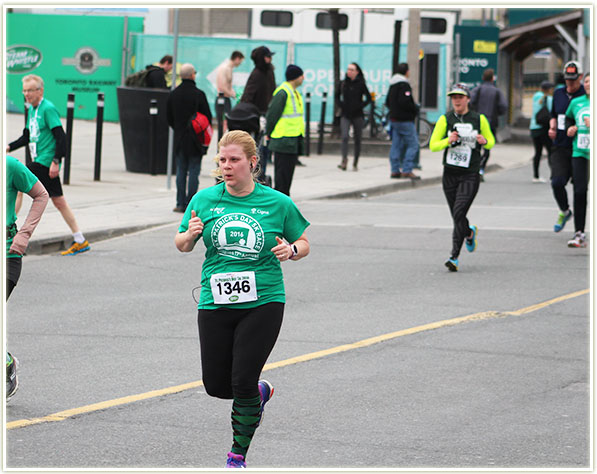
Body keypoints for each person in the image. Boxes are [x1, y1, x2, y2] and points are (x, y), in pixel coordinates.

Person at [174, 130, 310, 469]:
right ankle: (258, 394)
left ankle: (237, 455)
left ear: (252, 162)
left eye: (234, 160)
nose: (227, 166)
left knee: (242, 379)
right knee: (216, 385)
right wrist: (189, 237)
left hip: (263, 299)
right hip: (215, 300)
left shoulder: (278, 203)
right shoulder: (204, 200)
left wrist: (291, 250)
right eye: (222, 160)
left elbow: (304, 242)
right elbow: (181, 243)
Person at [7, 74, 90, 256]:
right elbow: (27, 136)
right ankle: (80, 239)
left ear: (40, 91)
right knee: (59, 201)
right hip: (42, 162)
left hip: (45, 162)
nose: (26, 94)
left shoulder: (48, 109)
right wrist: (9, 147)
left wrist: (56, 161)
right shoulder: (32, 110)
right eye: (24, 90)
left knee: (17, 185)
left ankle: (8, 233)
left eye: (30, 90)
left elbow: (61, 137)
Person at [429, 83, 495, 272]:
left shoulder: (479, 119)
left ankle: (454, 257)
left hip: (470, 174)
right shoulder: (445, 119)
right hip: (450, 173)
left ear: (467, 99)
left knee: (459, 212)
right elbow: (433, 145)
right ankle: (468, 232)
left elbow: (491, 141)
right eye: (453, 97)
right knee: (457, 216)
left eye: (460, 97)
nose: (456, 100)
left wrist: (484, 141)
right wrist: (447, 140)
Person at [6, 156, 49, 401]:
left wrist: (25, 234)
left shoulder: (10, 166)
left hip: (8, 254)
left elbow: (41, 195)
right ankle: (7, 361)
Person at [166, 63, 212, 213]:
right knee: (194, 171)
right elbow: (208, 118)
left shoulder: (174, 94)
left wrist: (178, 128)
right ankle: (190, 204)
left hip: (179, 138)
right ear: (193, 75)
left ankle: (179, 203)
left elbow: (169, 117)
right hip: (196, 140)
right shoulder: (199, 94)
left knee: (181, 171)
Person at [548, 60, 586, 233]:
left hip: (580, 148)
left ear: (580, 77)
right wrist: (552, 125)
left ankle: (580, 230)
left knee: (580, 190)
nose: (570, 82)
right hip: (560, 146)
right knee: (557, 182)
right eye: (567, 79)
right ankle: (565, 211)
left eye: (573, 79)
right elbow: (554, 114)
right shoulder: (558, 93)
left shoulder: (586, 95)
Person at [265, 64, 306, 196]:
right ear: (296, 77)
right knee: (282, 177)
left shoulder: (294, 92)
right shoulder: (283, 92)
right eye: (301, 75)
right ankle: (281, 204)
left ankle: (284, 201)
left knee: (287, 176)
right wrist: (268, 132)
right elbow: (272, 115)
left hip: (292, 139)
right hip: (283, 139)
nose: (303, 78)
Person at [564, 72, 590, 248]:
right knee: (579, 191)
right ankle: (579, 232)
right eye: (587, 81)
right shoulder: (576, 102)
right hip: (580, 152)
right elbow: (567, 121)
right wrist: (570, 129)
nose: (588, 84)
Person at [470, 68, 507, 179]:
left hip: (477, 122)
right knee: (487, 147)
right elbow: (503, 106)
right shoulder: (497, 91)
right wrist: (497, 113)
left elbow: (470, 102)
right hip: (491, 122)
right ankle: (481, 169)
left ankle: (474, 168)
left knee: (475, 146)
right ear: (492, 79)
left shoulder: (478, 89)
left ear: (483, 78)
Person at [386, 63, 420, 180]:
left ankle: (395, 170)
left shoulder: (392, 84)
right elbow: (405, 102)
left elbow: (387, 102)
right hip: (405, 120)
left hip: (394, 119)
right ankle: (407, 169)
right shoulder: (404, 85)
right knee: (413, 144)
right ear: (406, 72)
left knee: (396, 145)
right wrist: (414, 109)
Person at [336, 62, 372, 171]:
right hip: (345, 114)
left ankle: (355, 161)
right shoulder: (343, 83)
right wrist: (341, 105)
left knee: (357, 138)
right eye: (348, 69)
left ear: (357, 72)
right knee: (345, 136)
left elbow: (368, 98)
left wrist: (360, 106)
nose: (349, 72)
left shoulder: (361, 84)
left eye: (352, 70)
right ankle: (344, 159)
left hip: (357, 114)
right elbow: (336, 96)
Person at [529, 81, 554, 182]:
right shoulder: (549, 99)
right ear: (549, 90)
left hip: (534, 128)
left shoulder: (535, 97)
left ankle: (536, 176)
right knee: (550, 152)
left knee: (537, 152)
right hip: (544, 128)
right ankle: (553, 174)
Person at [215, 51, 245, 132]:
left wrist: (236, 95)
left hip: (226, 99)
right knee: (223, 124)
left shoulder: (230, 69)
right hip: (222, 99)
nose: (240, 64)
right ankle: (221, 142)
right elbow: (222, 87)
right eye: (241, 62)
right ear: (237, 59)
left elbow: (229, 86)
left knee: (226, 123)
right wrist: (233, 95)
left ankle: (224, 142)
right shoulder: (225, 68)